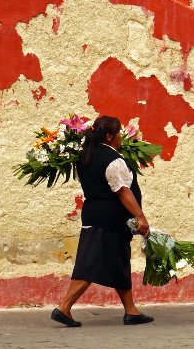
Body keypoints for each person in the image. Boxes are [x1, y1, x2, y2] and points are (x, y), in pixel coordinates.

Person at [51, 115, 154, 327]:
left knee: (119, 262)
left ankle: (131, 311)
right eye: (118, 134)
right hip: (108, 220)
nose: (121, 138)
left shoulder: (87, 156)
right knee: (90, 264)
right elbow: (123, 192)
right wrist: (140, 216)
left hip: (97, 216)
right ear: (109, 136)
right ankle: (64, 307)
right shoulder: (113, 160)